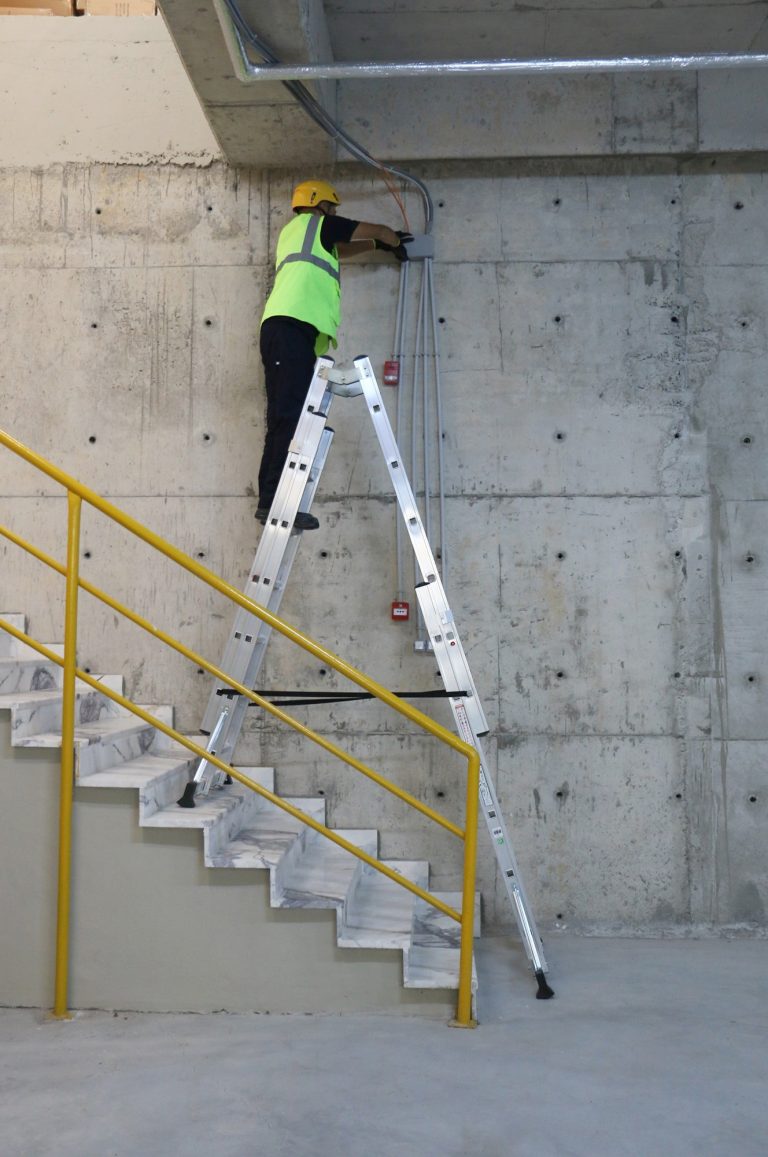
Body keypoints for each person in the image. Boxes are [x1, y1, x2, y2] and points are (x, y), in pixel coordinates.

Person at [255, 179, 411, 530]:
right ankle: (274, 503)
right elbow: (370, 230)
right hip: (289, 328)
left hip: (291, 331)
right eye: (332, 207)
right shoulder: (316, 224)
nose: (335, 214)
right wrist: (392, 239)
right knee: (287, 419)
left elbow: (343, 248)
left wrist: (377, 245)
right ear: (319, 205)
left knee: (287, 417)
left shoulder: (301, 234)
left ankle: (274, 502)